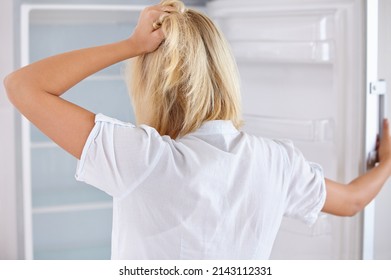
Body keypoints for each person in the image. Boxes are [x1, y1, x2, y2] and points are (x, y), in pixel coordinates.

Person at [4, 0, 391, 259]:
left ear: (149, 84)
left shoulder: (143, 158)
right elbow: (353, 201)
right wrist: (386, 163)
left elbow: (22, 86)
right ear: (225, 72)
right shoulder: (278, 161)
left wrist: (131, 45)